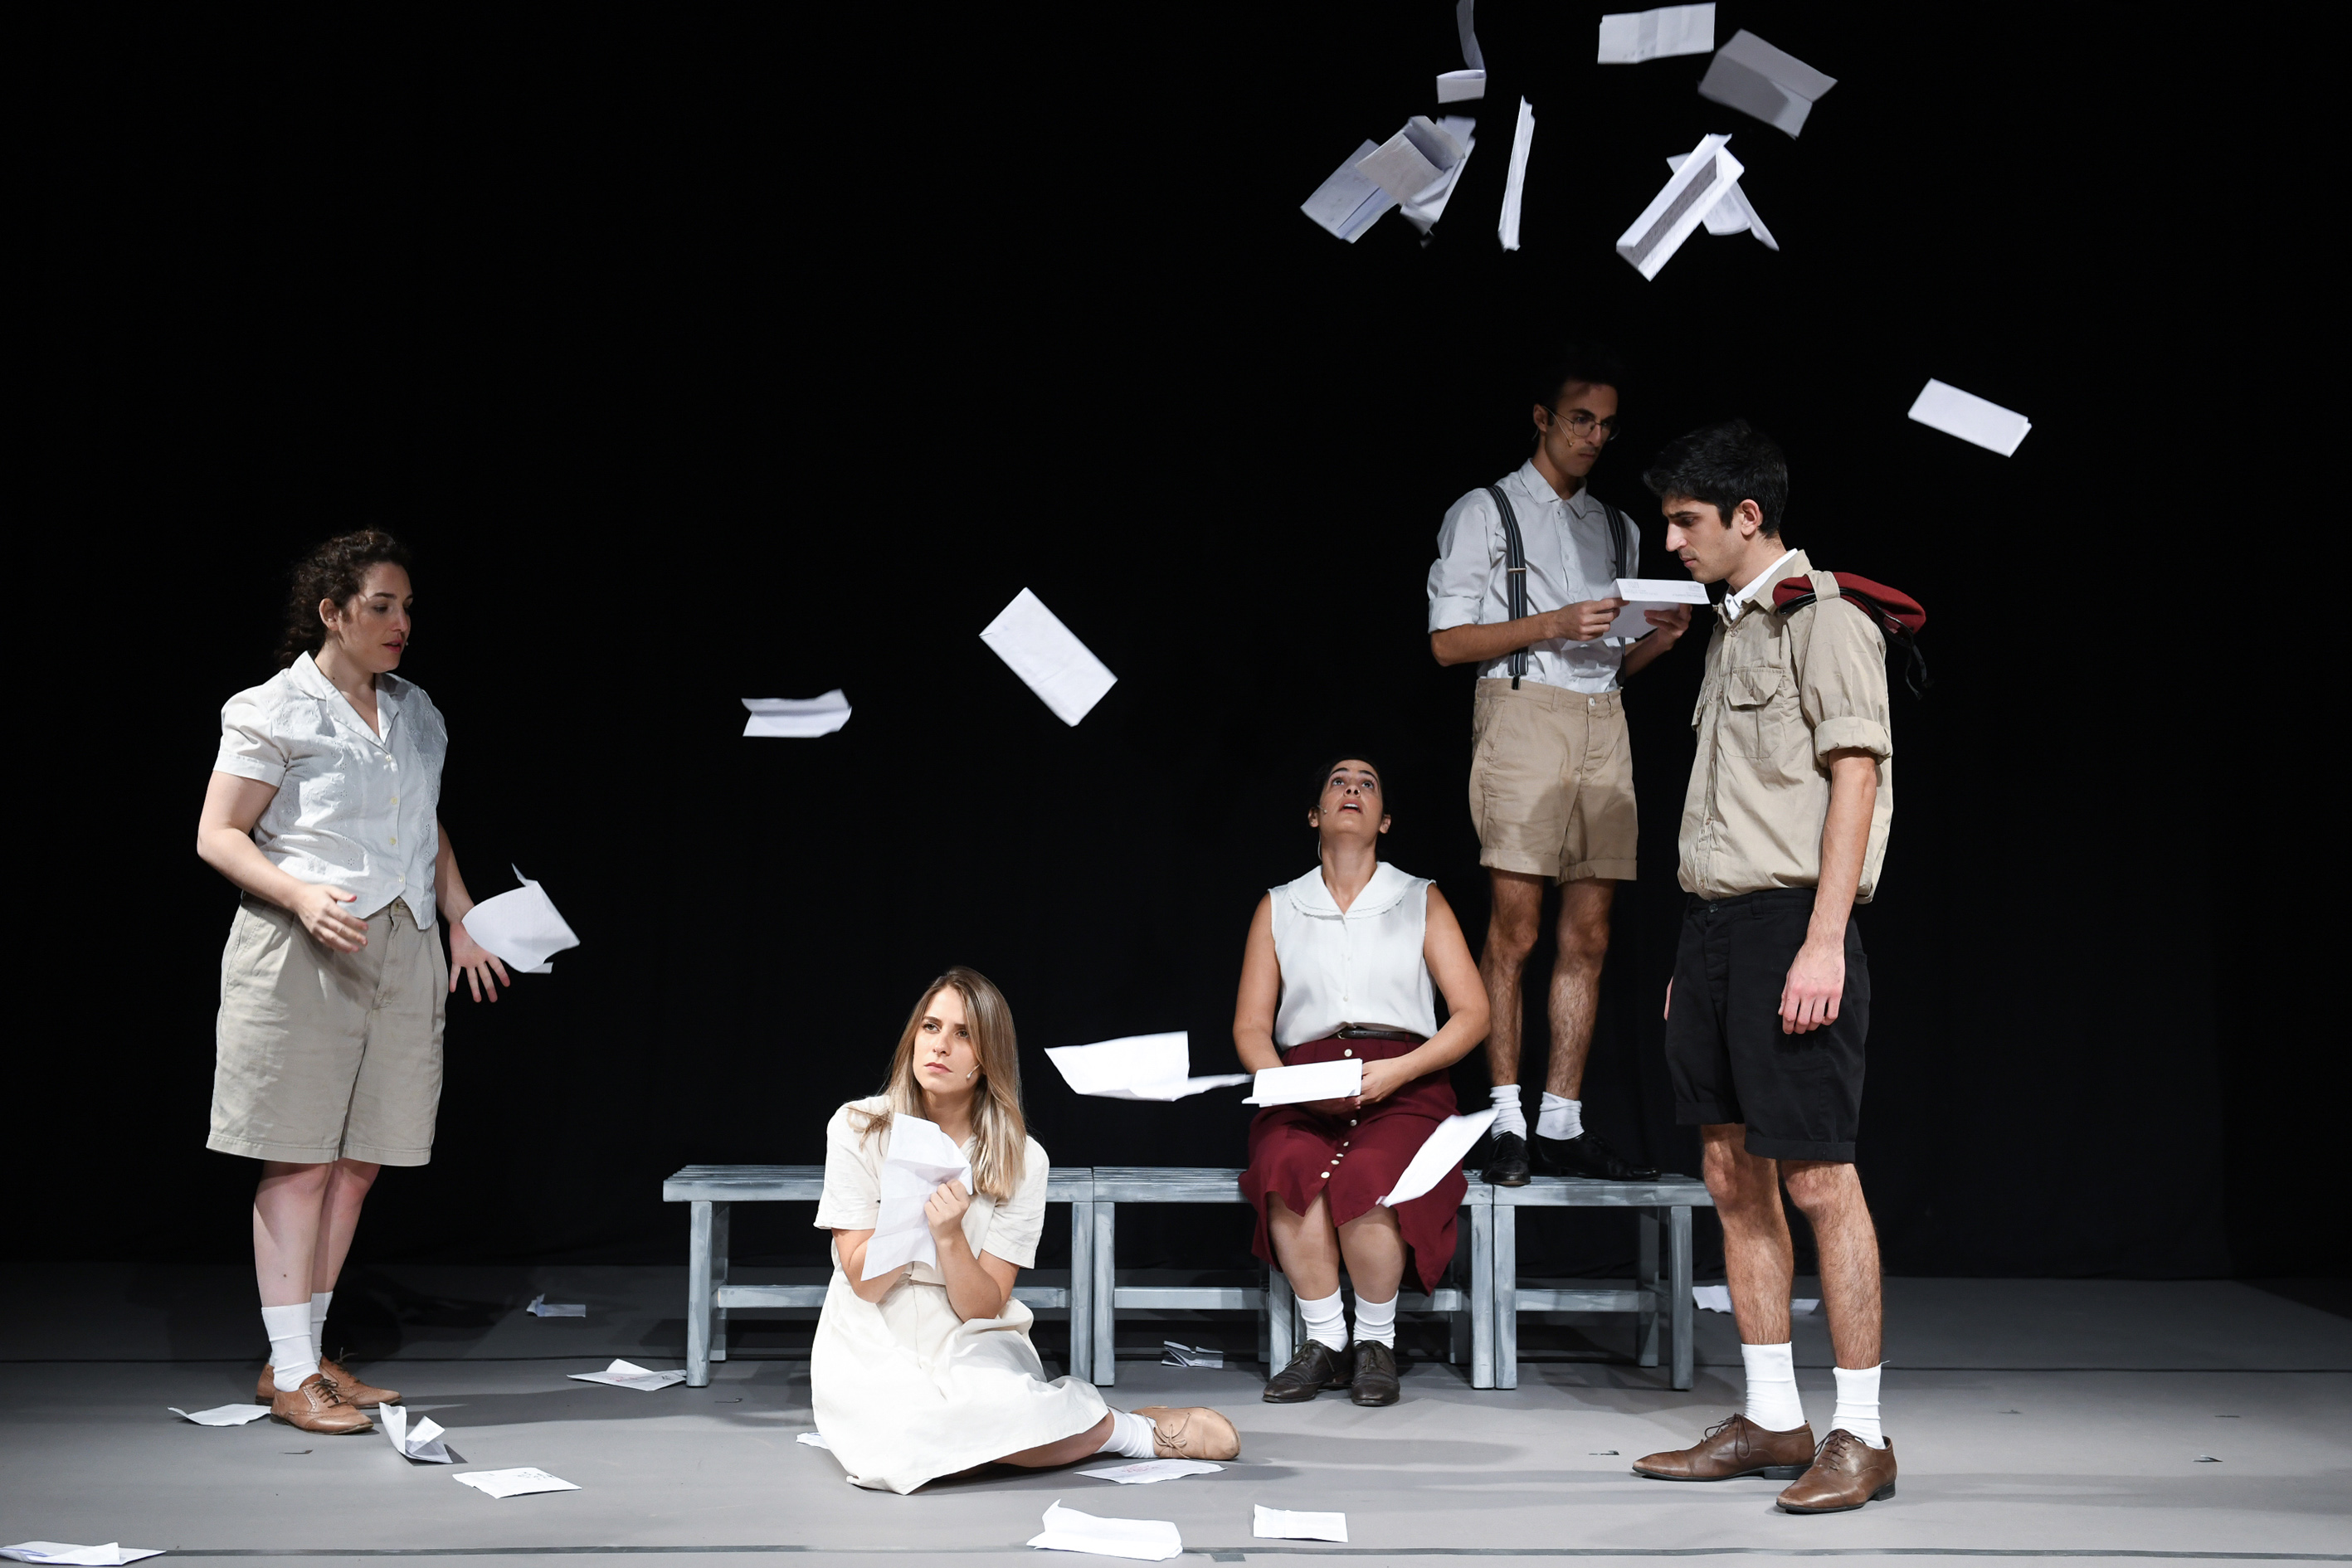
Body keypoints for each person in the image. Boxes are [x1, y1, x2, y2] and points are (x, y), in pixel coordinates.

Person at [1625, 421, 1899, 1513]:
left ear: (1748, 515)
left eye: (1685, 520)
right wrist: (1696, 955)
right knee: (1731, 1175)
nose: (1670, 540)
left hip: (1792, 920)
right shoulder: (1729, 629)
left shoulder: (1825, 617)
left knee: (1818, 1176)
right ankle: (1774, 1416)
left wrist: (1823, 938)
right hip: (1715, 930)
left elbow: (1854, 778)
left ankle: (1861, 1434)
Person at [197, 530, 510, 1435]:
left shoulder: (415, 710)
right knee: (300, 1158)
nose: (400, 622)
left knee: (361, 1161)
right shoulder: (274, 709)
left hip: (403, 946)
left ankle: (302, 1358)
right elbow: (218, 833)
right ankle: (295, 1372)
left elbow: (423, 821)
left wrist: (460, 913)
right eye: (381, 606)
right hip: (307, 946)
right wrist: (299, 894)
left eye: (407, 607)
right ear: (331, 612)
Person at [811, 967, 1239, 1493]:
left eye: (964, 1034)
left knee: (988, 1415)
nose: (940, 1045)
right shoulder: (857, 1126)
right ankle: (1113, 1431)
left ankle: (1131, 1431)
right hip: (872, 1325)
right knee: (900, 1451)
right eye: (931, 1027)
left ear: (987, 1057)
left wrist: (949, 1237)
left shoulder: (1022, 1158)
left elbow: (982, 1306)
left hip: (964, 1329)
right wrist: (909, 1212)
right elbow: (865, 1284)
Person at [1425, 343, 1690, 1186]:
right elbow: (1446, 643)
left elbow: (1609, 661)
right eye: (1581, 419)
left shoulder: (1618, 526)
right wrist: (1551, 623)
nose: (1593, 437)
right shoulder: (1485, 511)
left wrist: (1657, 642)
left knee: (1590, 933)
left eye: (1606, 426)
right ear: (1542, 418)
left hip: (1602, 719)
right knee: (1517, 930)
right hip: (1521, 713)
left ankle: (1562, 1120)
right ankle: (1506, 1119)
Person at [1233, 758, 1490, 1406]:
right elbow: (1250, 1027)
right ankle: (1324, 1340)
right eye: (1338, 782)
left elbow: (1473, 1014)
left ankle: (1376, 1341)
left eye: (1367, 784)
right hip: (1305, 1078)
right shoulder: (1279, 905)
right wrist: (1287, 1086)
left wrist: (1401, 1070)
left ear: (1385, 821)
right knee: (1287, 1161)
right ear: (1314, 814)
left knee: (1372, 1170)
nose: (1352, 788)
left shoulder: (1419, 897)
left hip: (1404, 1077)